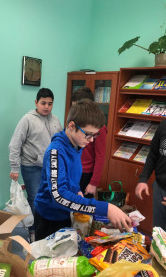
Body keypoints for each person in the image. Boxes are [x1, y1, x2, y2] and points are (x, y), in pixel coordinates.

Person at [34, 99, 132, 241]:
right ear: (71, 125)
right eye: (88, 134)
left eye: (95, 135)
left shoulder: (77, 145)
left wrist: (76, 191)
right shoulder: (55, 151)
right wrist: (106, 208)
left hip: (65, 214)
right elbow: (59, 196)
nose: (91, 140)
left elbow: (70, 179)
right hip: (49, 218)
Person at [9, 88, 62, 240]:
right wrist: (14, 168)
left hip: (50, 167)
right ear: (36, 103)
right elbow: (15, 144)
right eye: (43, 103)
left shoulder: (55, 120)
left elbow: (59, 143)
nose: (46, 107)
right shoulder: (27, 120)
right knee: (35, 199)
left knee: (50, 198)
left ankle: (45, 228)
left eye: (50, 104)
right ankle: (33, 232)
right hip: (31, 166)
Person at [71, 87, 107, 197]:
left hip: (86, 174)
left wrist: (93, 183)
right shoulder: (76, 124)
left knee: (83, 208)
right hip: (75, 169)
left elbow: (100, 156)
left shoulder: (99, 128)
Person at [135, 120, 166, 230]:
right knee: (159, 234)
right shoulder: (164, 124)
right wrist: (143, 179)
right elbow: (153, 154)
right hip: (160, 188)